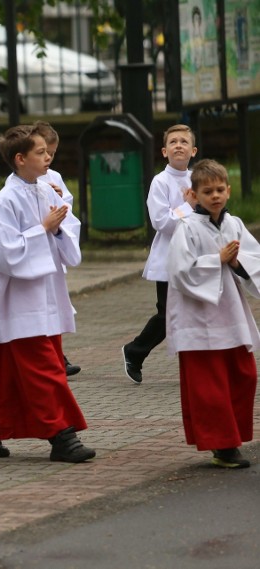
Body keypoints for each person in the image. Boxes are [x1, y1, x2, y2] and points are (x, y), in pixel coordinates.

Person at [0, 124, 95, 463]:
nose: (48, 156)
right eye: (40, 152)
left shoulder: (46, 190)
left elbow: (68, 228)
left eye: (47, 151)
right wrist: (44, 230)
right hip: (19, 300)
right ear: (20, 159)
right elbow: (3, 253)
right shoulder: (4, 202)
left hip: (47, 294)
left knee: (15, 373)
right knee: (45, 370)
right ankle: (61, 436)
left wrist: (57, 229)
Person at [166, 159, 259, 469]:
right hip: (199, 319)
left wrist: (235, 264)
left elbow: (253, 261)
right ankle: (223, 445)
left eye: (220, 190)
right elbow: (180, 273)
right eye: (208, 191)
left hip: (231, 314)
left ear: (228, 191)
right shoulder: (187, 228)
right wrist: (216, 260)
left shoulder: (234, 224)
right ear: (195, 195)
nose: (215, 196)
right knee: (210, 386)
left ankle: (233, 435)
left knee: (243, 375)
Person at [122, 124, 197, 384]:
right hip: (169, 260)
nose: (179, 145)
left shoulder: (198, 179)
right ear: (164, 151)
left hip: (197, 259)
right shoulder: (160, 182)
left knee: (196, 311)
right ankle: (134, 350)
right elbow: (161, 222)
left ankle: (198, 365)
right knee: (168, 314)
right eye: (173, 142)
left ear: (193, 150)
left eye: (184, 142)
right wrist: (188, 207)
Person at [33, 121, 81, 377]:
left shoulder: (55, 177)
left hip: (54, 247)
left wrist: (59, 198)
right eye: (43, 152)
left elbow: (68, 210)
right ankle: (53, 356)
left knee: (56, 303)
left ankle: (57, 353)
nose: (48, 158)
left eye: (52, 153)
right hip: (36, 250)